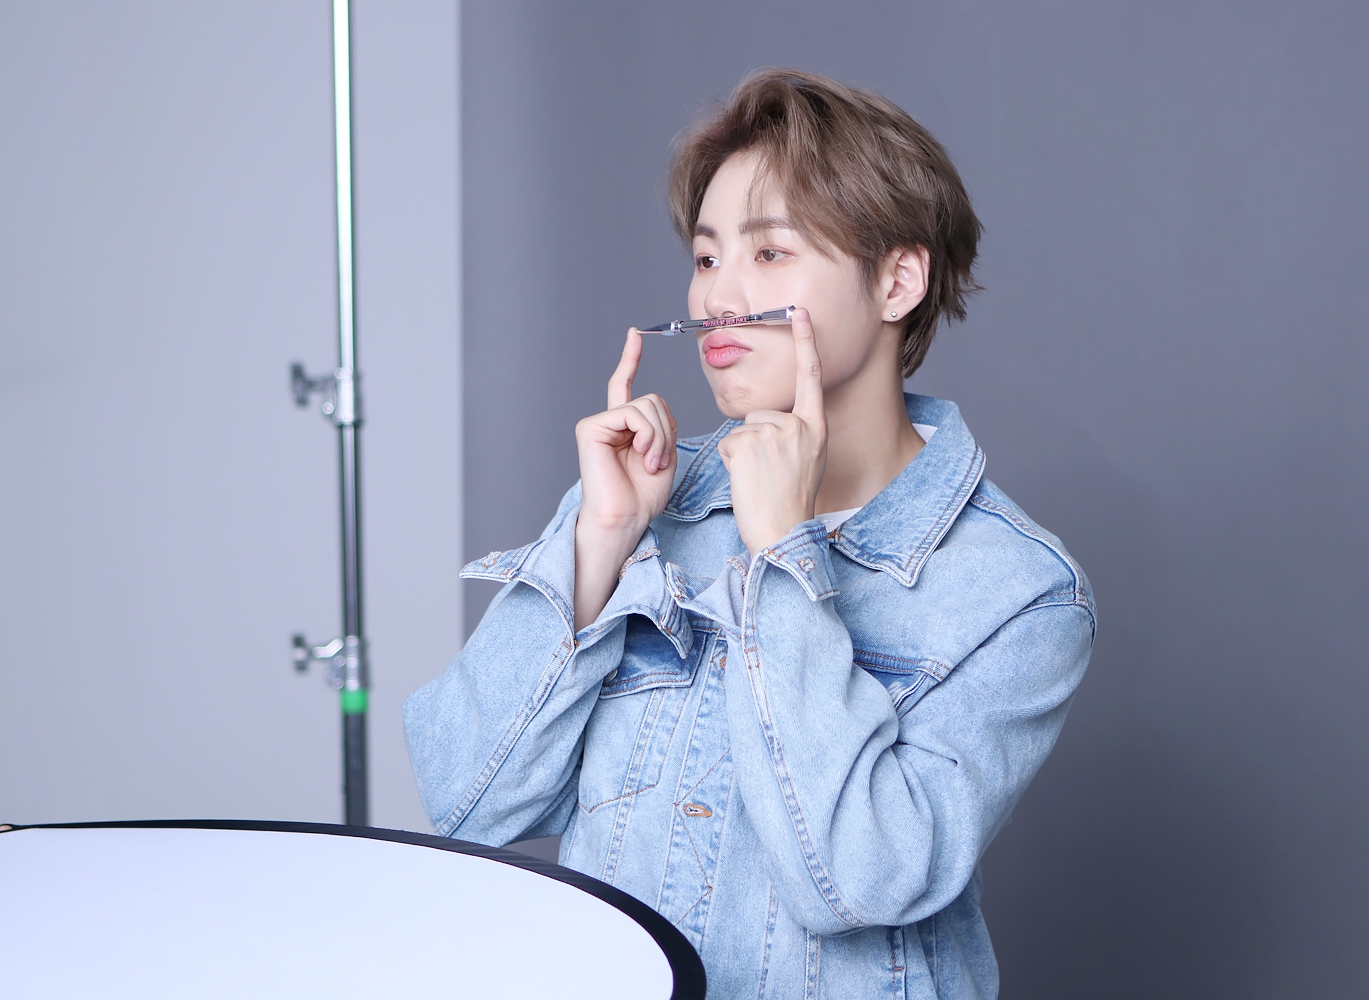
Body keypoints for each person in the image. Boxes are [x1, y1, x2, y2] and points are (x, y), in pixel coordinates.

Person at [403, 68, 1094, 999]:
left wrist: (783, 559)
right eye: (705, 258)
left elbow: (857, 882)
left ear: (897, 280)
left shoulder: (1019, 593)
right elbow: (466, 805)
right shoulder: (639, 502)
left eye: (770, 253)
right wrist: (600, 542)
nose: (719, 298)